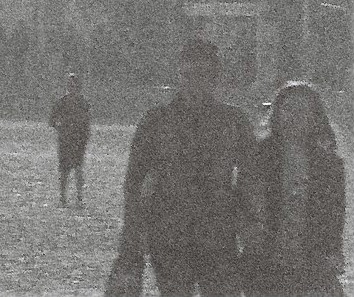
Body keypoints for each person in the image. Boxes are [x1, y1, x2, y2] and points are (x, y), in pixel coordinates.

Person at [109, 37, 259, 297]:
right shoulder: (156, 120)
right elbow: (134, 182)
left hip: (218, 234)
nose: (196, 82)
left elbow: (251, 178)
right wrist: (132, 233)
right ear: (180, 74)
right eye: (189, 74)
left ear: (216, 77)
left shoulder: (233, 121)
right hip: (168, 234)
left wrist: (249, 222)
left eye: (204, 74)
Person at [241, 81, 345, 297]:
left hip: (312, 261)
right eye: (288, 109)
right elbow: (243, 202)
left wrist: (333, 251)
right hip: (266, 261)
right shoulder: (258, 156)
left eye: (302, 110)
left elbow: (335, 213)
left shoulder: (330, 165)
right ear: (277, 113)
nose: (294, 116)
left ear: (314, 117)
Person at [50, 72, 92, 208]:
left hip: (78, 141)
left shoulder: (83, 103)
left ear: (78, 87)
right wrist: (60, 126)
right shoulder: (61, 102)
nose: (71, 87)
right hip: (65, 141)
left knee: (78, 169)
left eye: (74, 85)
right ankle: (63, 198)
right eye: (69, 85)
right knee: (64, 170)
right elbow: (52, 120)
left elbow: (87, 122)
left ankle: (79, 198)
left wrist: (84, 138)